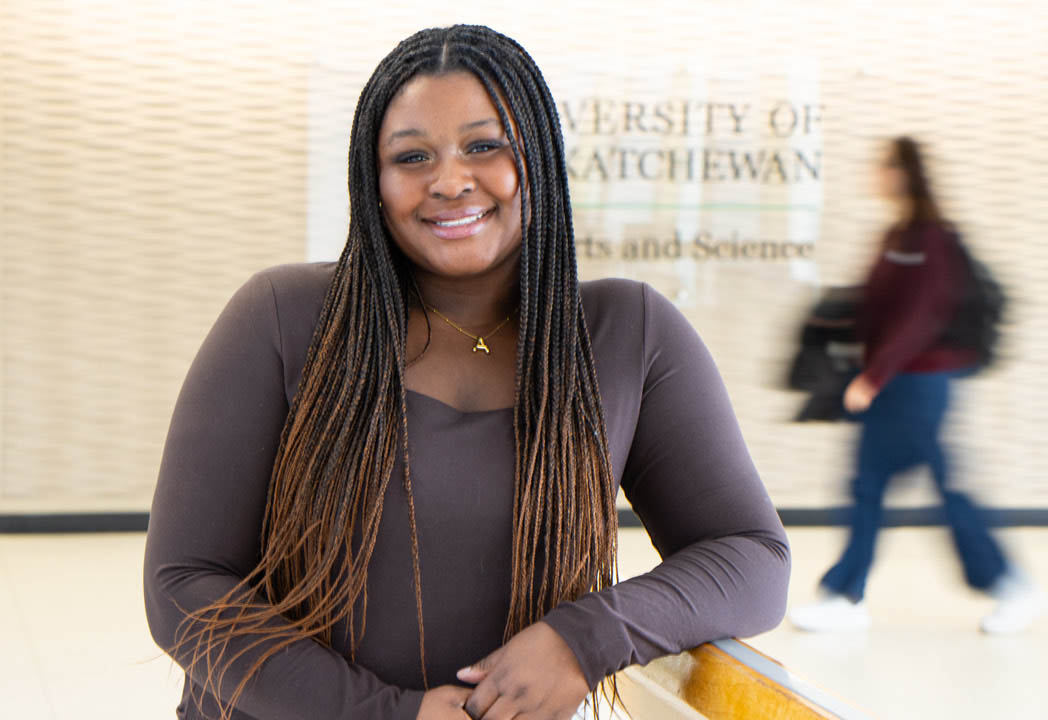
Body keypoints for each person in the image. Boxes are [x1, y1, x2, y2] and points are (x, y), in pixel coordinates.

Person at [144, 25, 790, 720]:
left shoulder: (626, 334)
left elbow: (751, 558)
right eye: (412, 156)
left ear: (537, 156)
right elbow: (184, 586)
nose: (450, 181)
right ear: (375, 181)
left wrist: (587, 637)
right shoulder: (283, 318)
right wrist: (390, 713)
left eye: (484, 146)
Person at [790, 137, 1042, 635]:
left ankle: (1008, 585)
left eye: (883, 166)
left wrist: (874, 375)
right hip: (898, 382)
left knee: (935, 488)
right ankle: (846, 595)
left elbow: (921, 318)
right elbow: (879, 309)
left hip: (919, 383)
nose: (876, 174)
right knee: (869, 487)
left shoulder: (929, 239)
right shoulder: (897, 235)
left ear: (904, 172)